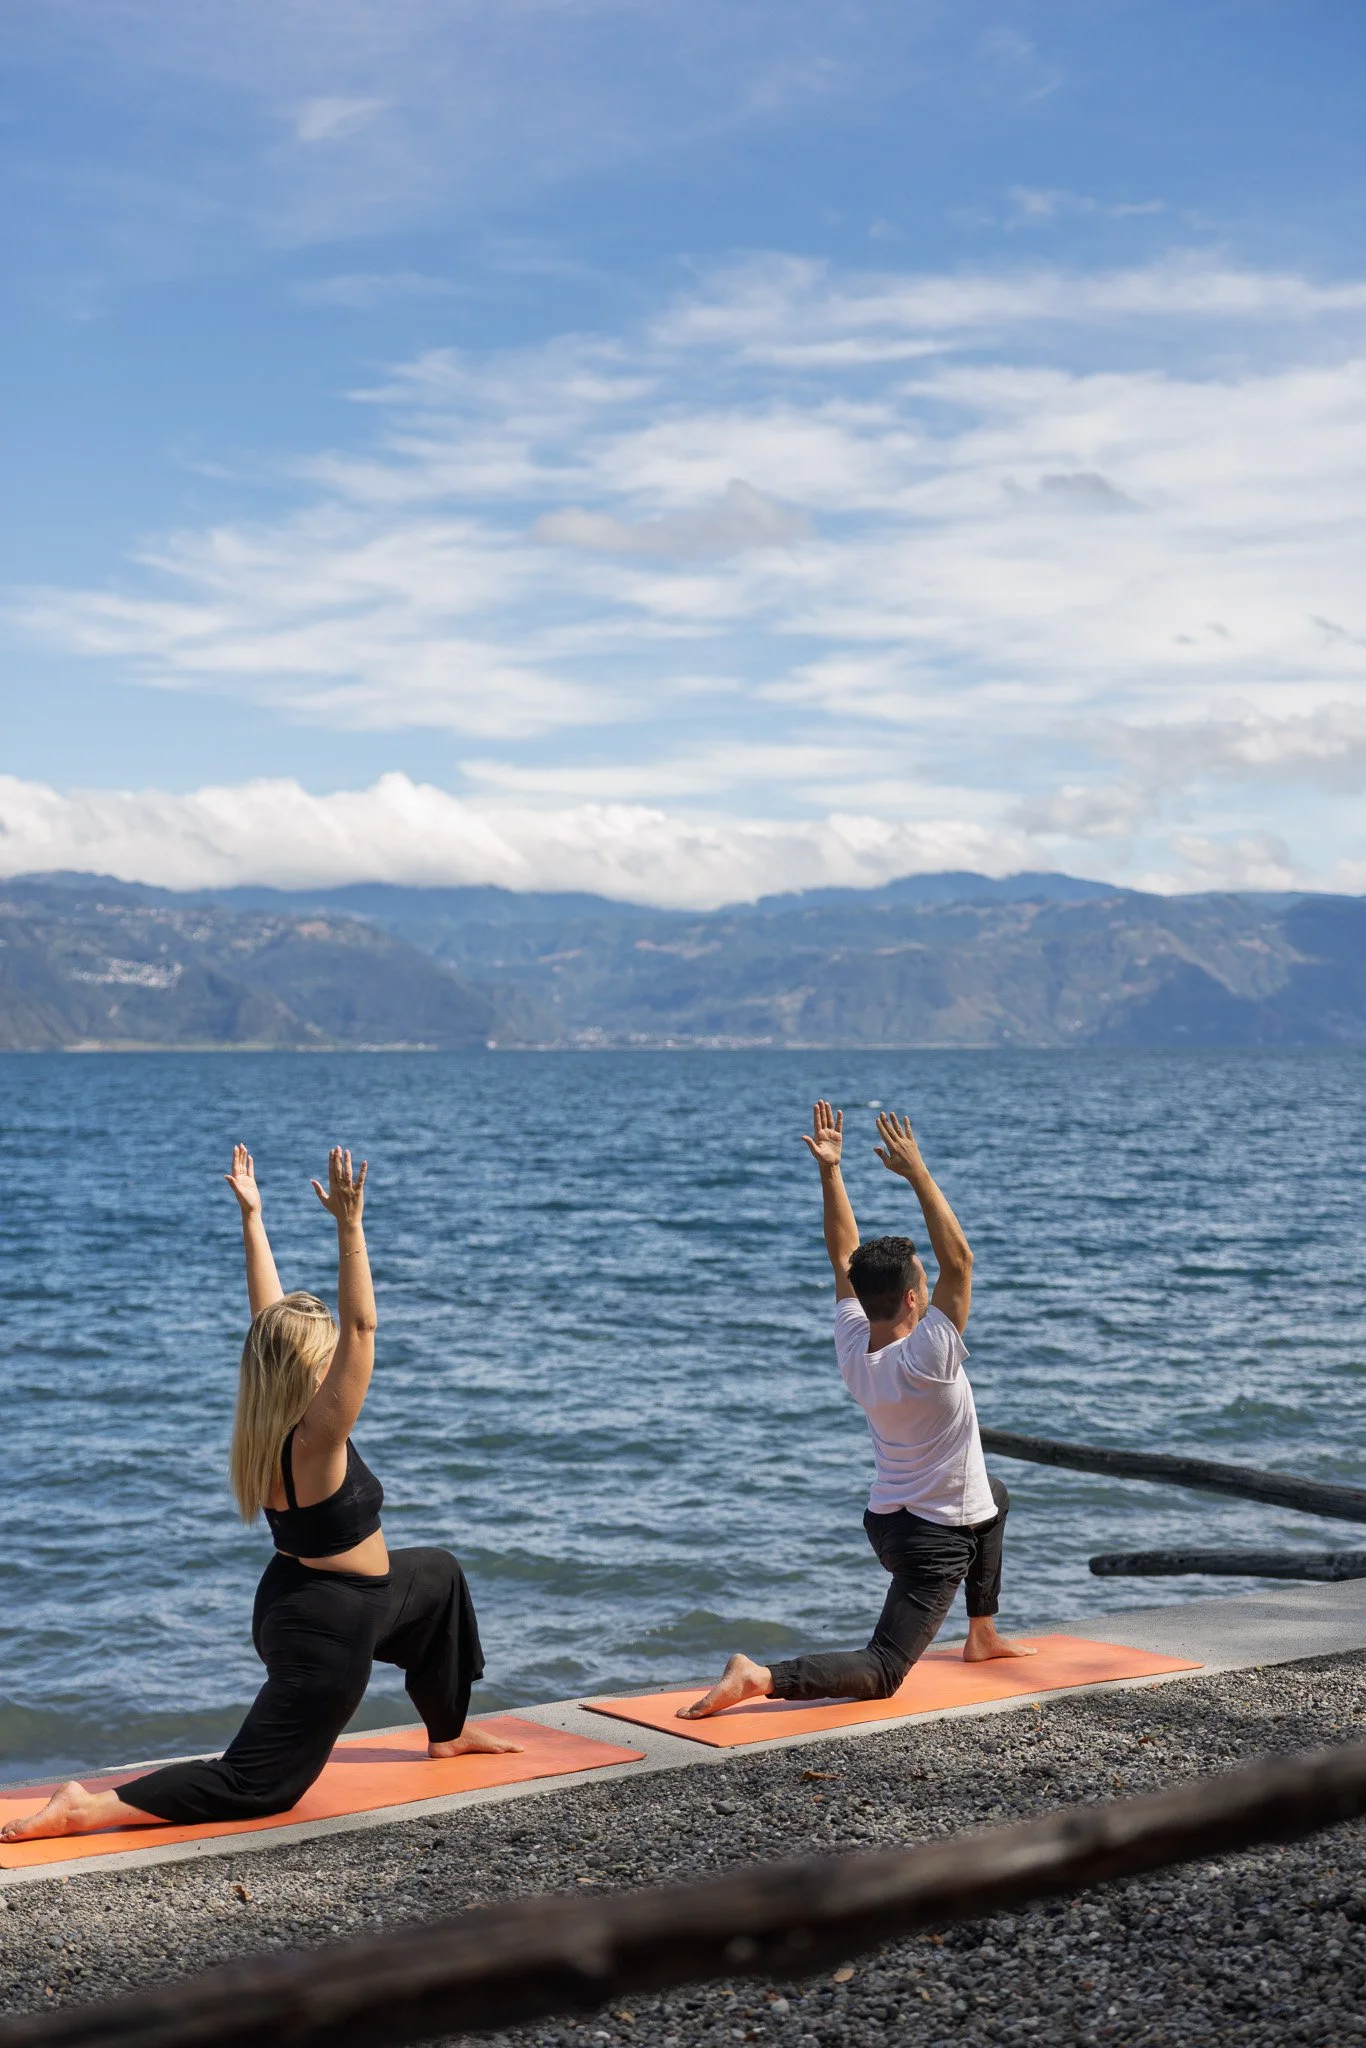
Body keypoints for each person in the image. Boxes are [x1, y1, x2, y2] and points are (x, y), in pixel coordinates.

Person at [3, 1143, 517, 1846]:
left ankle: (447, 1732)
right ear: (309, 1368)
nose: (337, 1359)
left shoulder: (279, 1419)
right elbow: (362, 1327)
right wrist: (350, 1226)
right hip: (327, 1627)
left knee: (438, 1578)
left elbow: (268, 1323)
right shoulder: (317, 1439)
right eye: (325, 1353)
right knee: (258, 1785)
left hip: (313, 1595)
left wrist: (254, 1218)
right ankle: (87, 1806)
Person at [681, 1101, 1033, 1720]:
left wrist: (831, 1171)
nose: (931, 1286)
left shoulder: (854, 1343)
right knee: (884, 1669)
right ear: (913, 1299)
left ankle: (982, 1634)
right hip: (933, 1540)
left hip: (888, 1523)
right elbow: (961, 1260)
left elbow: (843, 1253)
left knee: (994, 1495)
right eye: (922, 1282)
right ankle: (760, 1676)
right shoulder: (928, 1357)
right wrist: (917, 1172)